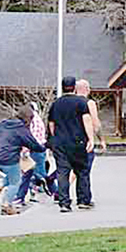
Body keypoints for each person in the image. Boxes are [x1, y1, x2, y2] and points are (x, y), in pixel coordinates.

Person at [0, 106, 46, 215]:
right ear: (28, 118)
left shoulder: (4, 123)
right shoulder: (22, 129)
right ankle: (6, 205)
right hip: (9, 160)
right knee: (16, 182)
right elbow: (33, 144)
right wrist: (44, 147)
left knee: (13, 176)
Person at [48, 76, 95, 212]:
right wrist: (90, 139)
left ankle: (64, 203)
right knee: (82, 171)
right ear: (74, 87)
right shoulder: (81, 103)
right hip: (77, 142)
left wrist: (54, 137)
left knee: (63, 172)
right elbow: (86, 120)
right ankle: (83, 200)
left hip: (60, 143)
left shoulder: (56, 104)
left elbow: (52, 124)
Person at [15, 102, 54, 205]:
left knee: (39, 175)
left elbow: (31, 138)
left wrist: (25, 150)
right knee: (32, 174)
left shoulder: (33, 121)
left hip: (34, 151)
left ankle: (56, 192)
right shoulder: (38, 120)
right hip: (40, 149)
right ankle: (23, 196)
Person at [76, 80, 108, 171]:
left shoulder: (68, 103)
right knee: (84, 169)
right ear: (86, 89)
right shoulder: (89, 103)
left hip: (68, 140)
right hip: (84, 140)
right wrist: (101, 140)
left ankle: (59, 183)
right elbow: (96, 123)